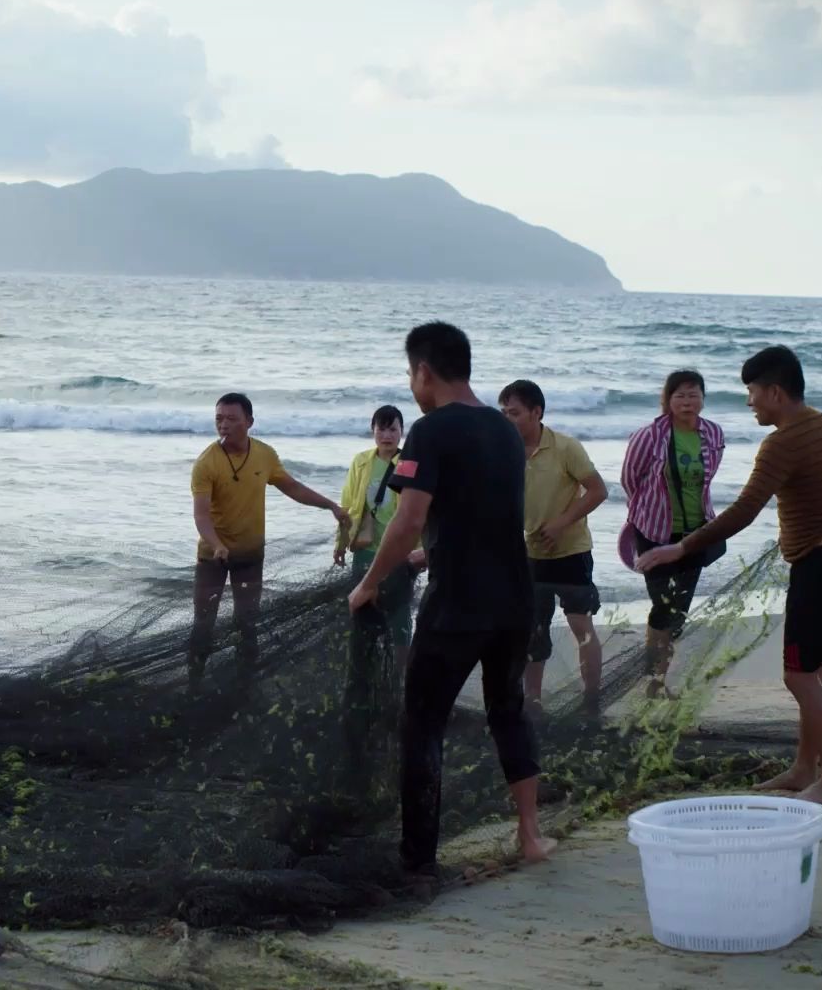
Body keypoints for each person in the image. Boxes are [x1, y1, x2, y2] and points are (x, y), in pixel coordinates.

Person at [349, 322, 553, 875]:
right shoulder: (504, 430)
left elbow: (409, 519)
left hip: (459, 603)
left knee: (422, 721)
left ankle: (418, 860)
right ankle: (531, 836)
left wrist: (369, 584)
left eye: (411, 374)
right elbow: (477, 512)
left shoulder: (431, 430)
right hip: (516, 598)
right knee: (507, 712)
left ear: (424, 372)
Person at [638, 346, 822, 805]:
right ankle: (805, 770)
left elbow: (744, 511)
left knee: (798, 677)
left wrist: (680, 547)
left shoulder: (781, 441)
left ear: (775, 392)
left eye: (752, 392)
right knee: (816, 671)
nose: (750, 403)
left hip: (821, 570)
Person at [191, 392, 349, 687]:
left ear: (249, 422)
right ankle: (195, 685)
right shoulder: (206, 463)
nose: (223, 425)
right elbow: (201, 516)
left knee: (247, 624)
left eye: (231, 419)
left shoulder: (264, 454)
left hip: (251, 556)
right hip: (213, 557)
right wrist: (217, 545)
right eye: (218, 419)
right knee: (203, 624)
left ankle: (245, 686)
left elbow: (292, 487)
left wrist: (330, 505)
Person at [498, 380, 608, 714]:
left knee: (581, 626)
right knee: (532, 630)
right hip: (528, 556)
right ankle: (533, 701)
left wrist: (561, 523)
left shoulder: (565, 447)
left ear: (536, 412)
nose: (507, 419)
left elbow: (598, 491)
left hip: (571, 553)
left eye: (514, 413)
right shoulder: (504, 450)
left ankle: (592, 699)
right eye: (502, 413)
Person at [620, 371, 728, 698]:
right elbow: (629, 478)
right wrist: (650, 508)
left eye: (693, 395)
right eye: (679, 395)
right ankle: (654, 681)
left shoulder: (712, 433)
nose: (686, 402)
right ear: (667, 399)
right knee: (662, 607)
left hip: (695, 532)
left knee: (678, 611)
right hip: (653, 531)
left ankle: (657, 676)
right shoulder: (649, 435)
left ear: (703, 398)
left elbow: (706, 478)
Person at [333, 404, 426, 675]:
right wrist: (340, 543)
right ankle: (365, 673)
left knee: (399, 619)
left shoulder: (408, 463)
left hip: (398, 553)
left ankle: (400, 677)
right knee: (362, 613)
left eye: (393, 429)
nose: (387, 435)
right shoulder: (361, 462)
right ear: (373, 431)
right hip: (364, 549)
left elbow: (418, 511)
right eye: (381, 429)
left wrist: (421, 552)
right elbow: (348, 504)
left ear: (402, 432)